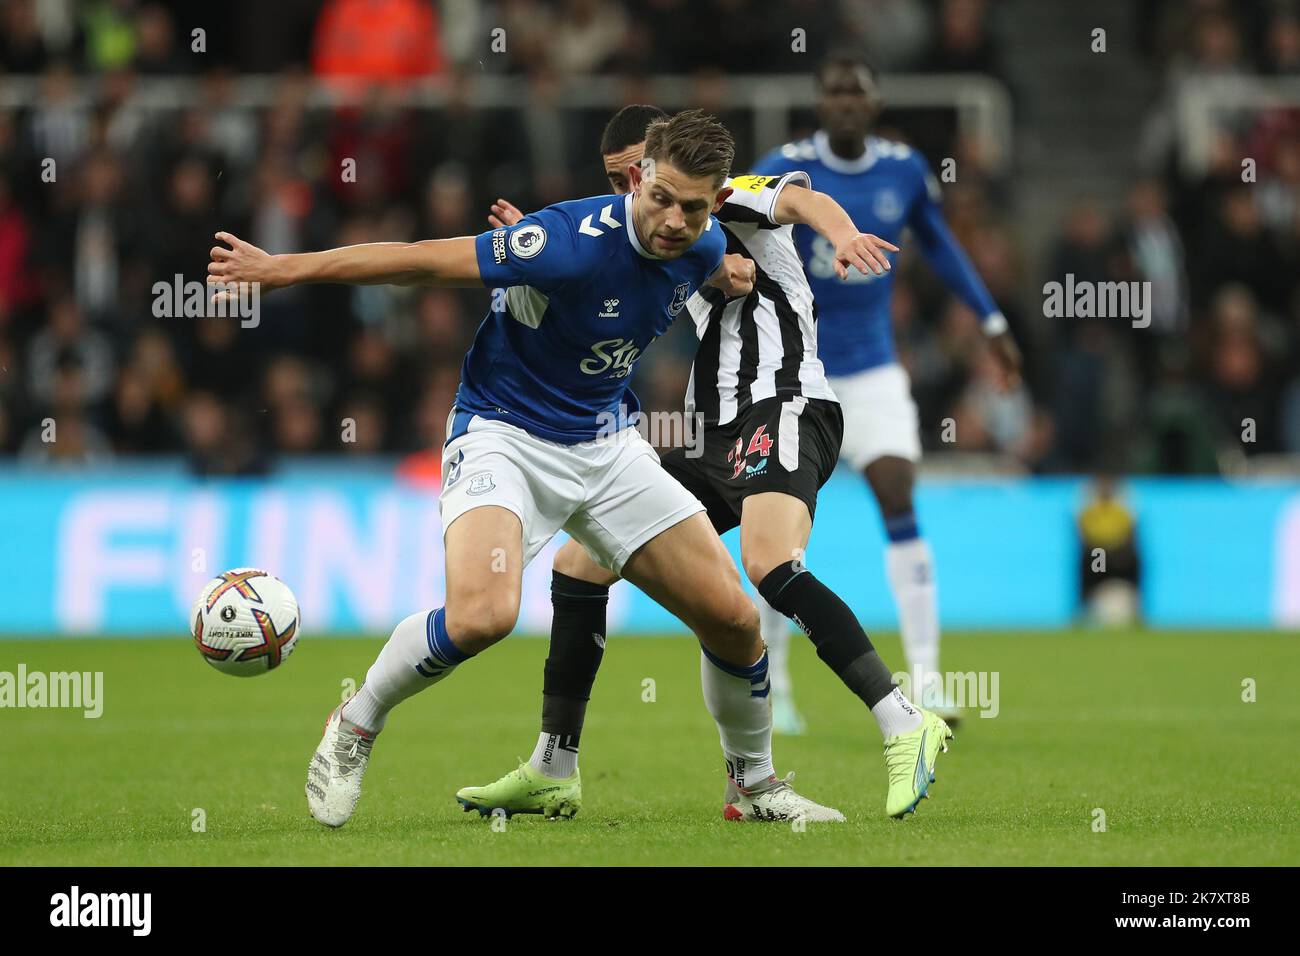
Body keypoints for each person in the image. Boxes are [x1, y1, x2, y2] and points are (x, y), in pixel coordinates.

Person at [208, 111, 902, 827]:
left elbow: (731, 250)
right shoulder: (566, 243)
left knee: (732, 619)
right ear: (639, 178)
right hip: (503, 435)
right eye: (659, 197)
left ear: (715, 204)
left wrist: (730, 269)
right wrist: (284, 269)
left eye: (693, 208)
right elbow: (420, 258)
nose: (671, 220)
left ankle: (752, 787)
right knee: (484, 617)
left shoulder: (705, 247)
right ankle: (355, 722)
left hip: (604, 444)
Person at [456, 105, 951, 822]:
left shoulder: (725, 193)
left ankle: (904, 720)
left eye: (633, 172)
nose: (627, 188)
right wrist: (536, 242)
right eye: (615, 181)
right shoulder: (658, 234)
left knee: (770, 564)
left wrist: (841, 236)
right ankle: (554, 766)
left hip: (780, 401)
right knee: (580, 564)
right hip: (708, 426)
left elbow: (798, 198)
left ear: (659, 160)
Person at [751, 53, 1023, 727]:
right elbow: (737, 240)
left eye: (857, 94)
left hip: (873, 370)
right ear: (820, 104)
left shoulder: (902, 169)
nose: (845, 103)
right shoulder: (782, 167)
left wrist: (990, 320)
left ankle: (926, 679)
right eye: (834, 93)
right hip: (797, 371)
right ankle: (774, 684)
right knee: (778, 533)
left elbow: (940, 244)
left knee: (898, 492)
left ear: (873, 106)